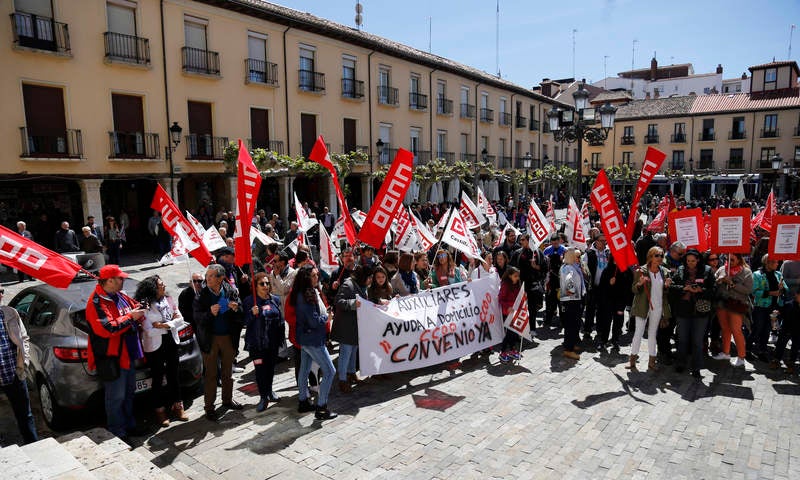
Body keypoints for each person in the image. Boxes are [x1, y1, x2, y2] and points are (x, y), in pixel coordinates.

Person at [85, 264, 147, 440]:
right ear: (110, 281)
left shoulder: (119, 295)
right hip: (113, 358)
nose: (124, 280)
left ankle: (130, 426)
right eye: (120, 278)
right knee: (115, 398)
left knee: (128, 394)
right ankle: (117, 433)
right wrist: (131, 317)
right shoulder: (96, 302)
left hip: (128, 355)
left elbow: (135, 308)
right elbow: (107, 328)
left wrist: (141, 309)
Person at [135, 275, 189, 427]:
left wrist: (164, 325)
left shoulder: (169, 299)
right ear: (152, 288)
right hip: (154, 345)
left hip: (170, 341)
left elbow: (180, 319)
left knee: (174, 374)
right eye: (160, 284)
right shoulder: (144, 305)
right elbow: (148, 331)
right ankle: (160, 411)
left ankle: (178, 406)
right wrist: (167, 325)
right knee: (157, 378)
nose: (164, 286)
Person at [193, 264, 245, 421]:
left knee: (227, 372)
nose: (207, 279)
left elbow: (241, 311)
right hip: (210, 339)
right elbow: (197, 319)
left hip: (228, 337)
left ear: (220, 278)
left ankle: (227, 400)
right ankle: (209, 407)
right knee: (211, 374)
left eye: (211, 276)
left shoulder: (230, 291)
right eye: (207, 276)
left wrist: (236, 308)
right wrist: (209, 313)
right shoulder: (200, 296)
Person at [291, 265, 338, 420]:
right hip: (313, 339)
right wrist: (327, 318)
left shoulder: (304, 293)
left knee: (304, 370)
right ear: (306, 278)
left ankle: (303, 401)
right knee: (330, 371)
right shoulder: (305, 295)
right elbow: (313, 321)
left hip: (306, 338)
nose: (316, 277)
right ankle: (321, 407)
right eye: (313, 275)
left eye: (317, 275)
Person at [668, 249, 715, 378]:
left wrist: (701, 290)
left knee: (697, 341)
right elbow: (672, 287)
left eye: (693, 261)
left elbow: (713, 290)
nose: (690, 263)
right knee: (682, 339)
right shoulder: (681, 269)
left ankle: (697, 367)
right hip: (683, 310)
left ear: (698, 259)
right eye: (688, 261)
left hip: (700, 310)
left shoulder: (707, 270)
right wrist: (685, 288)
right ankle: (680, 363)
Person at [243, 272, 285, 412]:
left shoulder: (275, 300)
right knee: (260, 371)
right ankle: (263, 396)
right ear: (255, 286)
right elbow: (245, 322)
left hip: (272, 343)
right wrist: (252, 314)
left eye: (267, 283)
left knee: (271, 369)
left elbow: (279, 320)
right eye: (262, 284)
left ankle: (270, 391)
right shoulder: (250, 301)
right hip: (257, 344)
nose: (266, 286)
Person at [0, 288, 38, 444]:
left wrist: (25, 360)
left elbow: (24, 337)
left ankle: (33, 445)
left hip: (14, 372)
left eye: (1, 291)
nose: (1, 294)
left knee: (25, 414)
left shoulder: (10, 312)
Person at [628, 247, 673, 372]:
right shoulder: (641, 271)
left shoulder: (664, 272)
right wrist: (639, 283)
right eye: (656, 255)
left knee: (653, 334)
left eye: (661, 255)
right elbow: (634, 289)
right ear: (650, 256)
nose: (659, 258)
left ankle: (652, 362)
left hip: (658, 307)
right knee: (639, 332)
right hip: (643, 306)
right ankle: (632, 360)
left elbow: (664, 292)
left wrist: (667, 286)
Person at [333, 265, 374, 393]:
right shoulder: (348, 284)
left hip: (356, 326)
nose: (371, 280)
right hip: (346, 326)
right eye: (369, 277)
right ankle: (342, 380)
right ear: (363, 277)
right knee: (345, 353)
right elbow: (338, 301)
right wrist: (352, 304)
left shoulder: (362, 285)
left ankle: (351, 374)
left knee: (353, 351)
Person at [712, 253, 754, 367]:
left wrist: (732, 283)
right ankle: (726, 352)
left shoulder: (746, 272)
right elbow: (714, 282)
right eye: (727, 259)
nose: (729, 262)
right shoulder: (722, 269)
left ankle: (741, 356)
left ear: (739, 259)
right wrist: (719, 280)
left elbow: (748, 289)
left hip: (736, 305)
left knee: (736, 330)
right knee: (725, 329)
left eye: (733, 260)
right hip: (722, 304)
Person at [750, 253, 786, 360]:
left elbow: (785, 289)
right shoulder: (757, 274)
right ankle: (747, 348)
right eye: (775, 262)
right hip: (761, 306)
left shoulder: (778, 274)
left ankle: (762, 351)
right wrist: (771, 293)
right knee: (757, 328)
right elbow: (754, 291)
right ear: (767, 262)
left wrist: (782, 288)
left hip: (774, 307)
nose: (777, 264)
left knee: (767, 329)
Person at [559, 248, 587, 360]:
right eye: (576, 256)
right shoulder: (567, 268)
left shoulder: (571, 267)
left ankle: (571, 344)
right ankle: (568, 349)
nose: (579, 259)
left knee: (575, 324)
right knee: (571, 325)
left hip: (574, 299)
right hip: (570, 300)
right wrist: (575, 293)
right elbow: (569, 285)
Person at [771, 289, 800, 373]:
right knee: (781, 344)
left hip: (798, 330)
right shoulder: (789, 304)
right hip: (786, 328)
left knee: (795, 347)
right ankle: (776, 360)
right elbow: (779, 314)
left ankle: (791, 363)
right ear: (796, 295)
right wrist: (775, 315)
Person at [498, 266, 523, 362]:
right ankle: (503, 351)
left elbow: (519, 297)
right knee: (509, 333)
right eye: (515, 276)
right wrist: (508, 307)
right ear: (509, 276)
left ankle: (512, 350)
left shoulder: (517, 284)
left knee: (514, 333)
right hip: (507, 312)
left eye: (518, 276)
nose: (517, 278)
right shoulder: (505, 285)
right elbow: (500, 299)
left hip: (516, 312)